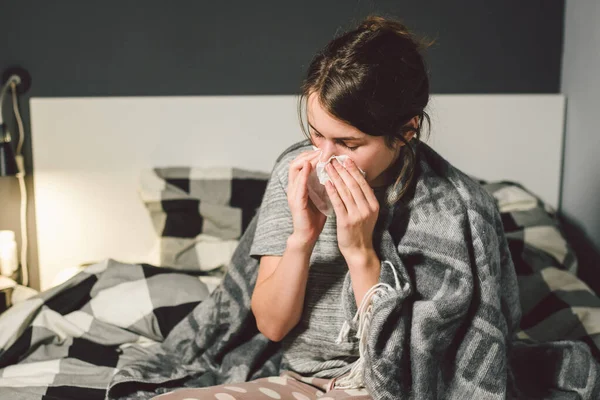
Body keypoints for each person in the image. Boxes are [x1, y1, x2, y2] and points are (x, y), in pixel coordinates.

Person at [149, 13, 600, 400]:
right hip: (297, 380)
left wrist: (361, 251)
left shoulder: (458, 210)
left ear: (405, 132)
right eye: (315, 134)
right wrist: (302, 237)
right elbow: (270, 326)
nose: (325, 158)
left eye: (348, 143)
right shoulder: (296, 171)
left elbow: (415, 375)